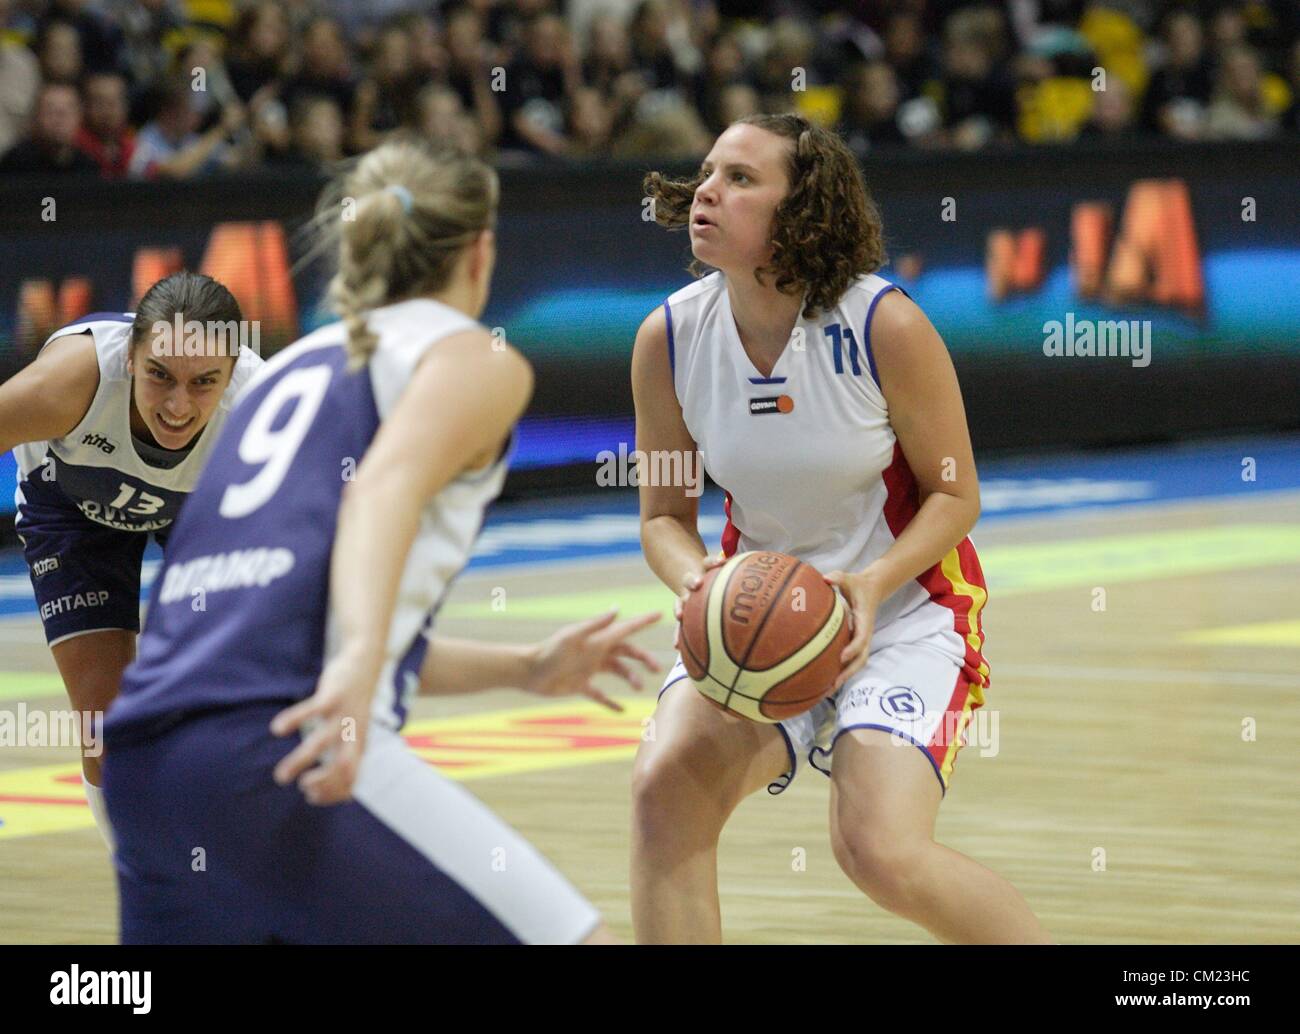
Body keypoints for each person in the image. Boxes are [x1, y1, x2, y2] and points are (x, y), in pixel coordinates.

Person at [100, 138, 659, 944]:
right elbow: (383, 491)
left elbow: (282, 620)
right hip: (283, 751)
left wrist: (524, 669)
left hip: (149, 769)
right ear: (481, 250)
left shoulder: (285, 374)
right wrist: (361, 670)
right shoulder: (473, 358)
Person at [630, 113, 1051, 944]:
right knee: (663, 793)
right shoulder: (669, 339)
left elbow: (955, 496)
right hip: (760, 616)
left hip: (904, 612)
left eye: (742, 178)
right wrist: (698, 583)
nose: (708, 190)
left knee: (878, 851)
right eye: (708, 171)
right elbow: (663, 517)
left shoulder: (882, 325)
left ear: (803, 210)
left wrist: (868, 585)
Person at [0, 272, 263, 848]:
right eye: (160, 375)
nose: (177, 404)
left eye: (204, 383)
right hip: (68, 504)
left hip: (198, 512)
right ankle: (152, 897)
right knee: (107, 731)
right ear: (131, 360)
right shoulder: (73, 379)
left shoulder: (260, 405)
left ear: (232, 373)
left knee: (246, 701)